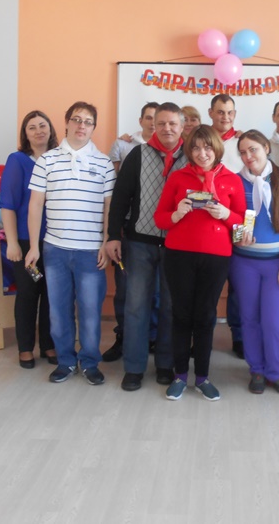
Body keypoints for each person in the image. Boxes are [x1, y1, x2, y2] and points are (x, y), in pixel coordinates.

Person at [26, 101, 115, 386]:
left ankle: (89, 362)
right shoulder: (47, 160)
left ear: (93, 127)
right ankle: (65, 361)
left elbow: (109, 208)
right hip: (55, 250)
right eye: (76, 119)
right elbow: (35, 205)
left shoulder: (104, 163)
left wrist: (105, 244)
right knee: (59, 311)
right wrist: (33, 246)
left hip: (91, 252)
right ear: (66, 123)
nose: (81, 125)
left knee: (90, 312)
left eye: (88, 121)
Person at [154, 125, 246, 401]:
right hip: (179, 255)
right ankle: (180, 375)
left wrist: (225, 214)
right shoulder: (178, 177)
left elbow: (242, 223)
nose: (202, 153)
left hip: (217, 257)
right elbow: (160, 219)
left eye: (207, 147)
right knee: (181, 315)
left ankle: (203, 377)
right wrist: (176, 214)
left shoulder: (232, 179)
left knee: (206, 316)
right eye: (195, 148)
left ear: (216, 148)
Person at [106, 102, 188, 391]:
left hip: (177, 245)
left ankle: (165, 364)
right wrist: (113, 236)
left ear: (182, 126)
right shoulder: (137, 154)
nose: (166, 128)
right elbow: (120, 198)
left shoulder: (192, 157)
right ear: (154, 125)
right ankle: (134, 368)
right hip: (140, 242)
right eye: (161, 123)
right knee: (136, 306)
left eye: (172, 123)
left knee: (170, 307)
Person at [229, 130, 279, 396]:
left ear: (266, 148)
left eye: (253, 150)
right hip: (244, 263)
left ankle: (275, 372)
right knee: (249, 319)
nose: (248, 156)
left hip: (277, 264)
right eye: (243, 152)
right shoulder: (236, 181)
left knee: (274, 321)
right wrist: (239, 238)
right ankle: (256, 370)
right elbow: (232, 220)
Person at [102, 101, 160, 363]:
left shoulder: (179, 152)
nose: (153, 123)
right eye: (149, 118)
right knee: (127, 290)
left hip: (162, 236)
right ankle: (124, 338)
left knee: (157, 293)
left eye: (158, 119)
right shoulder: (126, 146)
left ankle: (153, 340)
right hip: (129, 231)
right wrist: (114, 233)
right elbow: (117, 192)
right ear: (141, 121)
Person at [0, 110, 59, 369]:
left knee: (52, 295)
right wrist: (12, 243)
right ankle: (25, 348)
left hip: (56, 241)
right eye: (31, 127)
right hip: (25, 242)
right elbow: (8, 204)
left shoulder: (59, 158)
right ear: (25, 134)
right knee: (27, 294)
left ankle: (48, 344)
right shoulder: (17, 161)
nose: (38, 131)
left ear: (50, 129)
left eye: (42, 125)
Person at [208, 94, 243, 357]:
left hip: (237, 221)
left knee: (239, 285)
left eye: (230, 112)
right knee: (207, 287)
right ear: (211, 113)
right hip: (207, 224)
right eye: (220, 112)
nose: (225, 117)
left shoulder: (243, 143)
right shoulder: (201, 141)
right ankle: (203, 335)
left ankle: (239, 336)